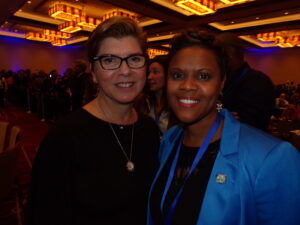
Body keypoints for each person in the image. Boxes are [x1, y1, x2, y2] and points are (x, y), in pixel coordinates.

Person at [147, 30, 300, 225]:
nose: (187, 85)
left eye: (203, 76)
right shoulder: (169, 140)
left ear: (222, 83)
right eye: (177, 75)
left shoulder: (272, 157)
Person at [25, 16, 160, 225]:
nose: (125, 71)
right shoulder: (64, 137)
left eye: (134, 59)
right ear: (94, 73)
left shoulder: (149, 129)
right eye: (109, 60)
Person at [214, 32, 275, 131]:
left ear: (228, 55)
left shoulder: (256, 81)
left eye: (216, 55)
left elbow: (247, 125)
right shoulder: (226, 79)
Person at [136, 55, 170, 134]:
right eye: (149, 73)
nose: (149, 77)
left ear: (167, 75)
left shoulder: (175, 104)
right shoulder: (142, 101)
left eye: (155, 72)